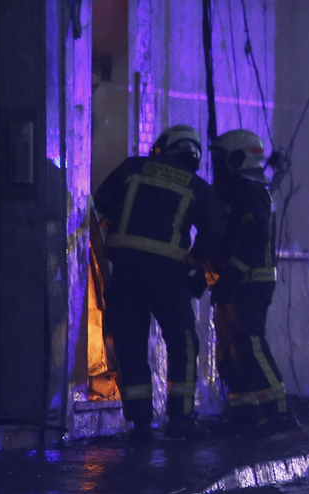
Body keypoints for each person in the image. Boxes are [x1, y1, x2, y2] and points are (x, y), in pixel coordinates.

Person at [93, 125, 224, 442]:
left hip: (124, 271)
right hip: (167, 276)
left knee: (130, 343)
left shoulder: (132, 167)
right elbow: (215, 233)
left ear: (164, 146)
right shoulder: (198, 187)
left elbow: (101, 201)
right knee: (183, 342)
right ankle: (180, 419)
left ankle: (139, 424)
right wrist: (193, 265)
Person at [208, 130, 298, 438]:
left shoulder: (251, 192)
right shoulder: (236, 192)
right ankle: (244, 414)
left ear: (237, 158)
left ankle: (280, 413)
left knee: (251, 345)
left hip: (250, 283)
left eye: (221, 159)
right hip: (232, 283)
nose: (216, 166)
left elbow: (253, 238)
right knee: (229, 351)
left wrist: (229, 276)